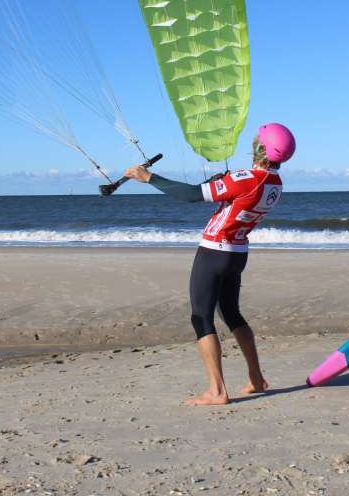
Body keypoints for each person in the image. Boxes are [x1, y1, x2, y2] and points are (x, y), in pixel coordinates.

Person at [124, 123, 296, 406]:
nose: (253, 139)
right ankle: (256, 378)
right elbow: (240, 195)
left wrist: (148, 177)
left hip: (214, 253)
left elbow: (192, 194)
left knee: (201, 317)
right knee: (231, 313)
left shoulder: (247, 178)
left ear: (261, 148)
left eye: (258, 138)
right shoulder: (275, 184)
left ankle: (217, 391)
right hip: (237, 253)